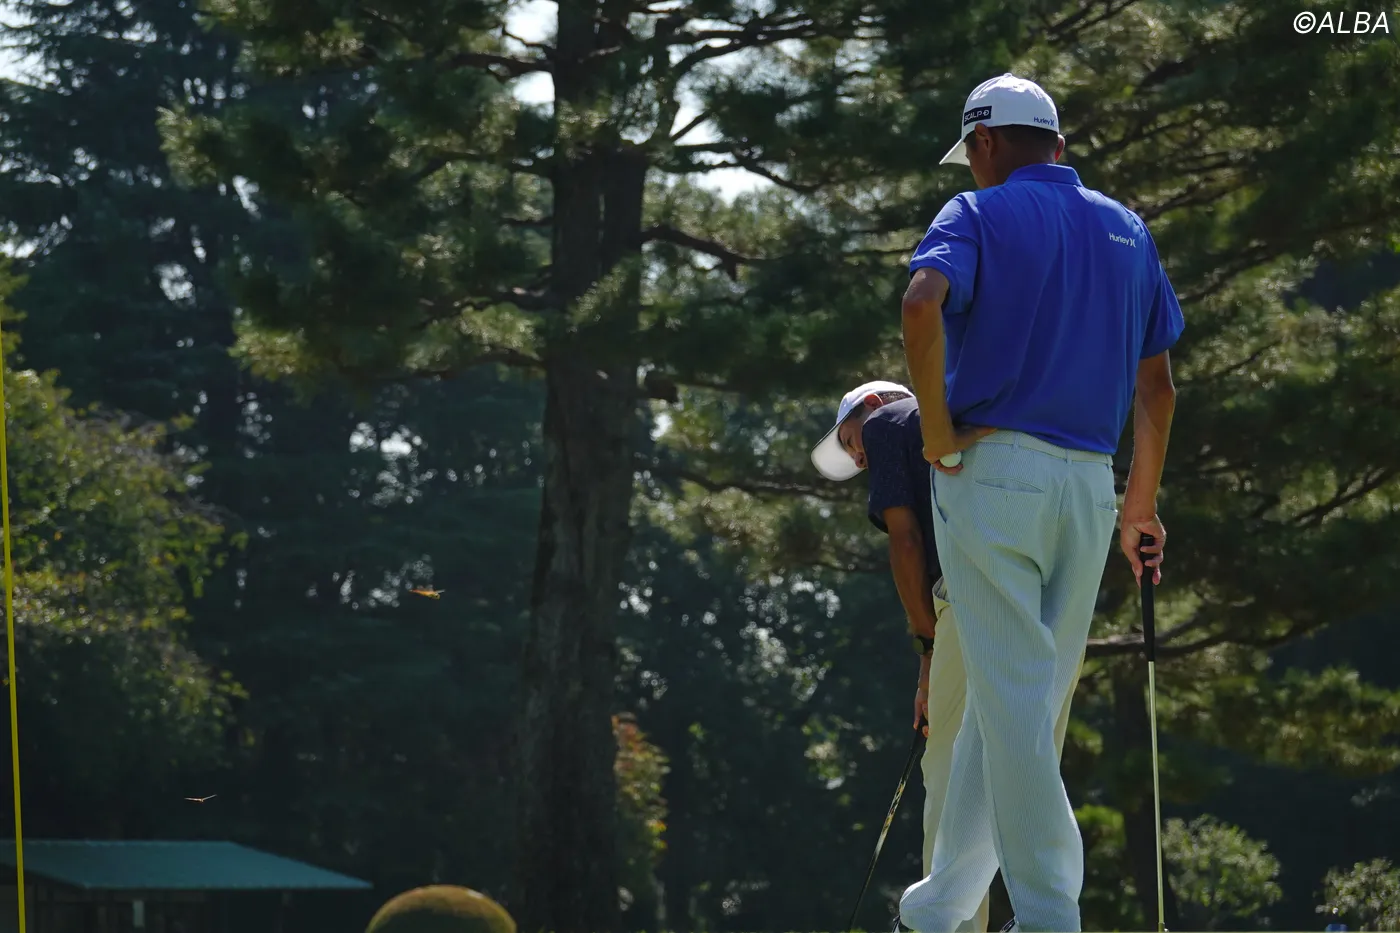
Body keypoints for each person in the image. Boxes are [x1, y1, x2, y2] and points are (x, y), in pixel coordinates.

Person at [895, 73, 1184, 933]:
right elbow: (1158, 388)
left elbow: (920, 303)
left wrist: (936, 435)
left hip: (994, 477)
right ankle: (938, 911)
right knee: (1017, 704)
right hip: (1090, 487)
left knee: (1016, 705)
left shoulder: (975, 212)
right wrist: (1138, 506)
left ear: (985, 143)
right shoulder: (1128, 228)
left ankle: (1052, 917)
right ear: (1056, 145)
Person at [811, 379, 1081, 933]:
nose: (858, 458)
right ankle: (1044, 917)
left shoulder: (888, 421)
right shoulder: (971, 408)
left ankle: (948, 926)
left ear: (871, 406)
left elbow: (905, 540)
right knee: (1030, 757)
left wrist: (926, 644)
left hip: (969, 590)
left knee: (948, 768)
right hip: (1050, 559)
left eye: (849, 440)